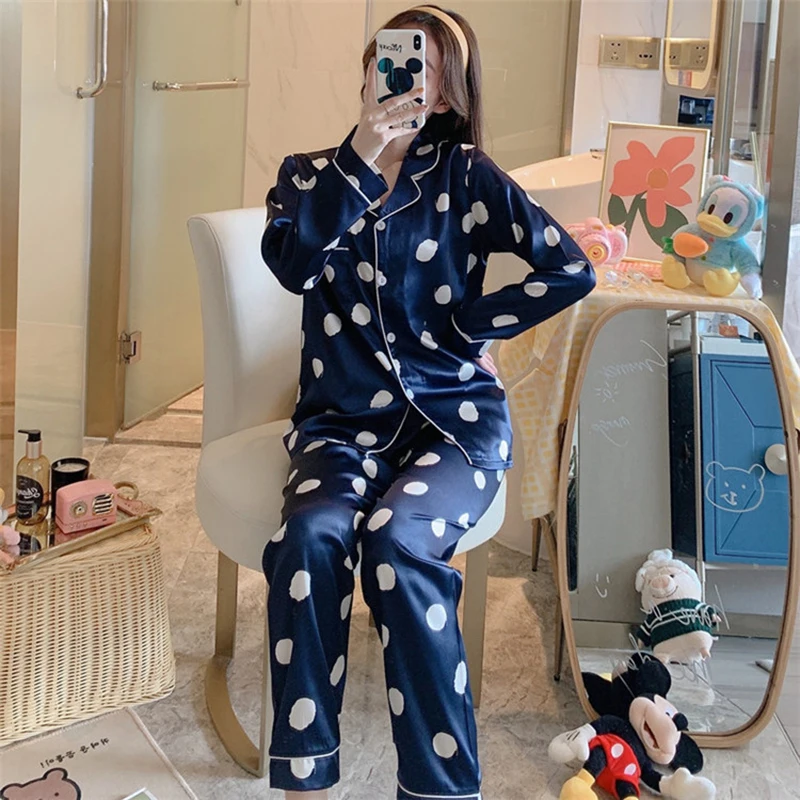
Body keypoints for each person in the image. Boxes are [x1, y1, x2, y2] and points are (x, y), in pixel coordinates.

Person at [260, 6, 595, 799]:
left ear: (446, 93)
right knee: (309, 538)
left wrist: (471, 323)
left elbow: (570, 269)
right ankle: (304, 777)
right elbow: (294, 267)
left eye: (427, 68)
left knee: (398, 543)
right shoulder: (307, 176)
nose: (404, 76)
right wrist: (359, 157)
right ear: (370, 70)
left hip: (455, 423)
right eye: (392, 59)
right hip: (342, 423)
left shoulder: (467, 175)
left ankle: (440, 788)